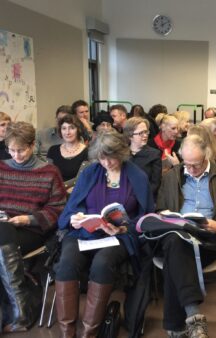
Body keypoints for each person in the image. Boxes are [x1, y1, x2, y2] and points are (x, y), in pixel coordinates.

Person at [54, 130, 153, 338]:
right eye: (101, 158)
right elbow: (71, 209)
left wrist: (124, 227)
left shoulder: (137, 176)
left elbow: (147, 218)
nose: (106, 163)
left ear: (122, 153)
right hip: (85, 232)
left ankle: (89, 333)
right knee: (66, 263)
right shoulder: (91, 172)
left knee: (102, 263)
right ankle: (67, 333)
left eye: (112, 158)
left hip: (119, 235)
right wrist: (75, 218)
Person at [153, 134, 216, 337]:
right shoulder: (171, 176)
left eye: (196, 164)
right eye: (187, 164)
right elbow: (161, 209)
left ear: (207, 157)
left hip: (209, 240)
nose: (191, 169)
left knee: (173, 258)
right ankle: (194, 317)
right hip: (178, 236)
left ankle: (176, 326)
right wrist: (167, 219)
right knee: (176, 242)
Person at [0, 121, 66, 332]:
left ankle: (19, 310)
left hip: (32, 230)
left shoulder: (49, 171)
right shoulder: (1, 167)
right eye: (11, 150)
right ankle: (20, 310)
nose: (16, 155)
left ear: (32, 146)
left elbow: (58, 209)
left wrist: (28, 219)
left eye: (21, 150)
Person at [123, 117, 162, 197]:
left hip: (145, 197)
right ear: (130, 136)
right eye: (141, 133)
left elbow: (155, 183)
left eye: (146, 132)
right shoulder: (122, 154)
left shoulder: (154, 154)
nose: (145, 135)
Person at [47, 114, 88, 185]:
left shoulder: (88, 152)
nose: (67, 132)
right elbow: (48, 175)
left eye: (72, 128)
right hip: (55, 193)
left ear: (78, 129)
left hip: (76, 193)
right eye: (64, 128)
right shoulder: (52, 150)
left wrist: (59, 188)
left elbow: (81, 180)